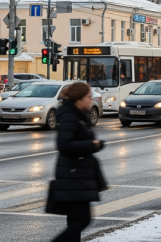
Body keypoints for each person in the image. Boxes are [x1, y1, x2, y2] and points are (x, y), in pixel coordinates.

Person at [52, 82, 107, 242]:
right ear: (79, 99)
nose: (91, 100)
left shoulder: (77, 114)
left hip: (76, 176)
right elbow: (63, 144)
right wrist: (92, 145)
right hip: (73, 177)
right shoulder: (71, 117)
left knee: (76, 222)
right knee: (82, 220)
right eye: (88, 97)